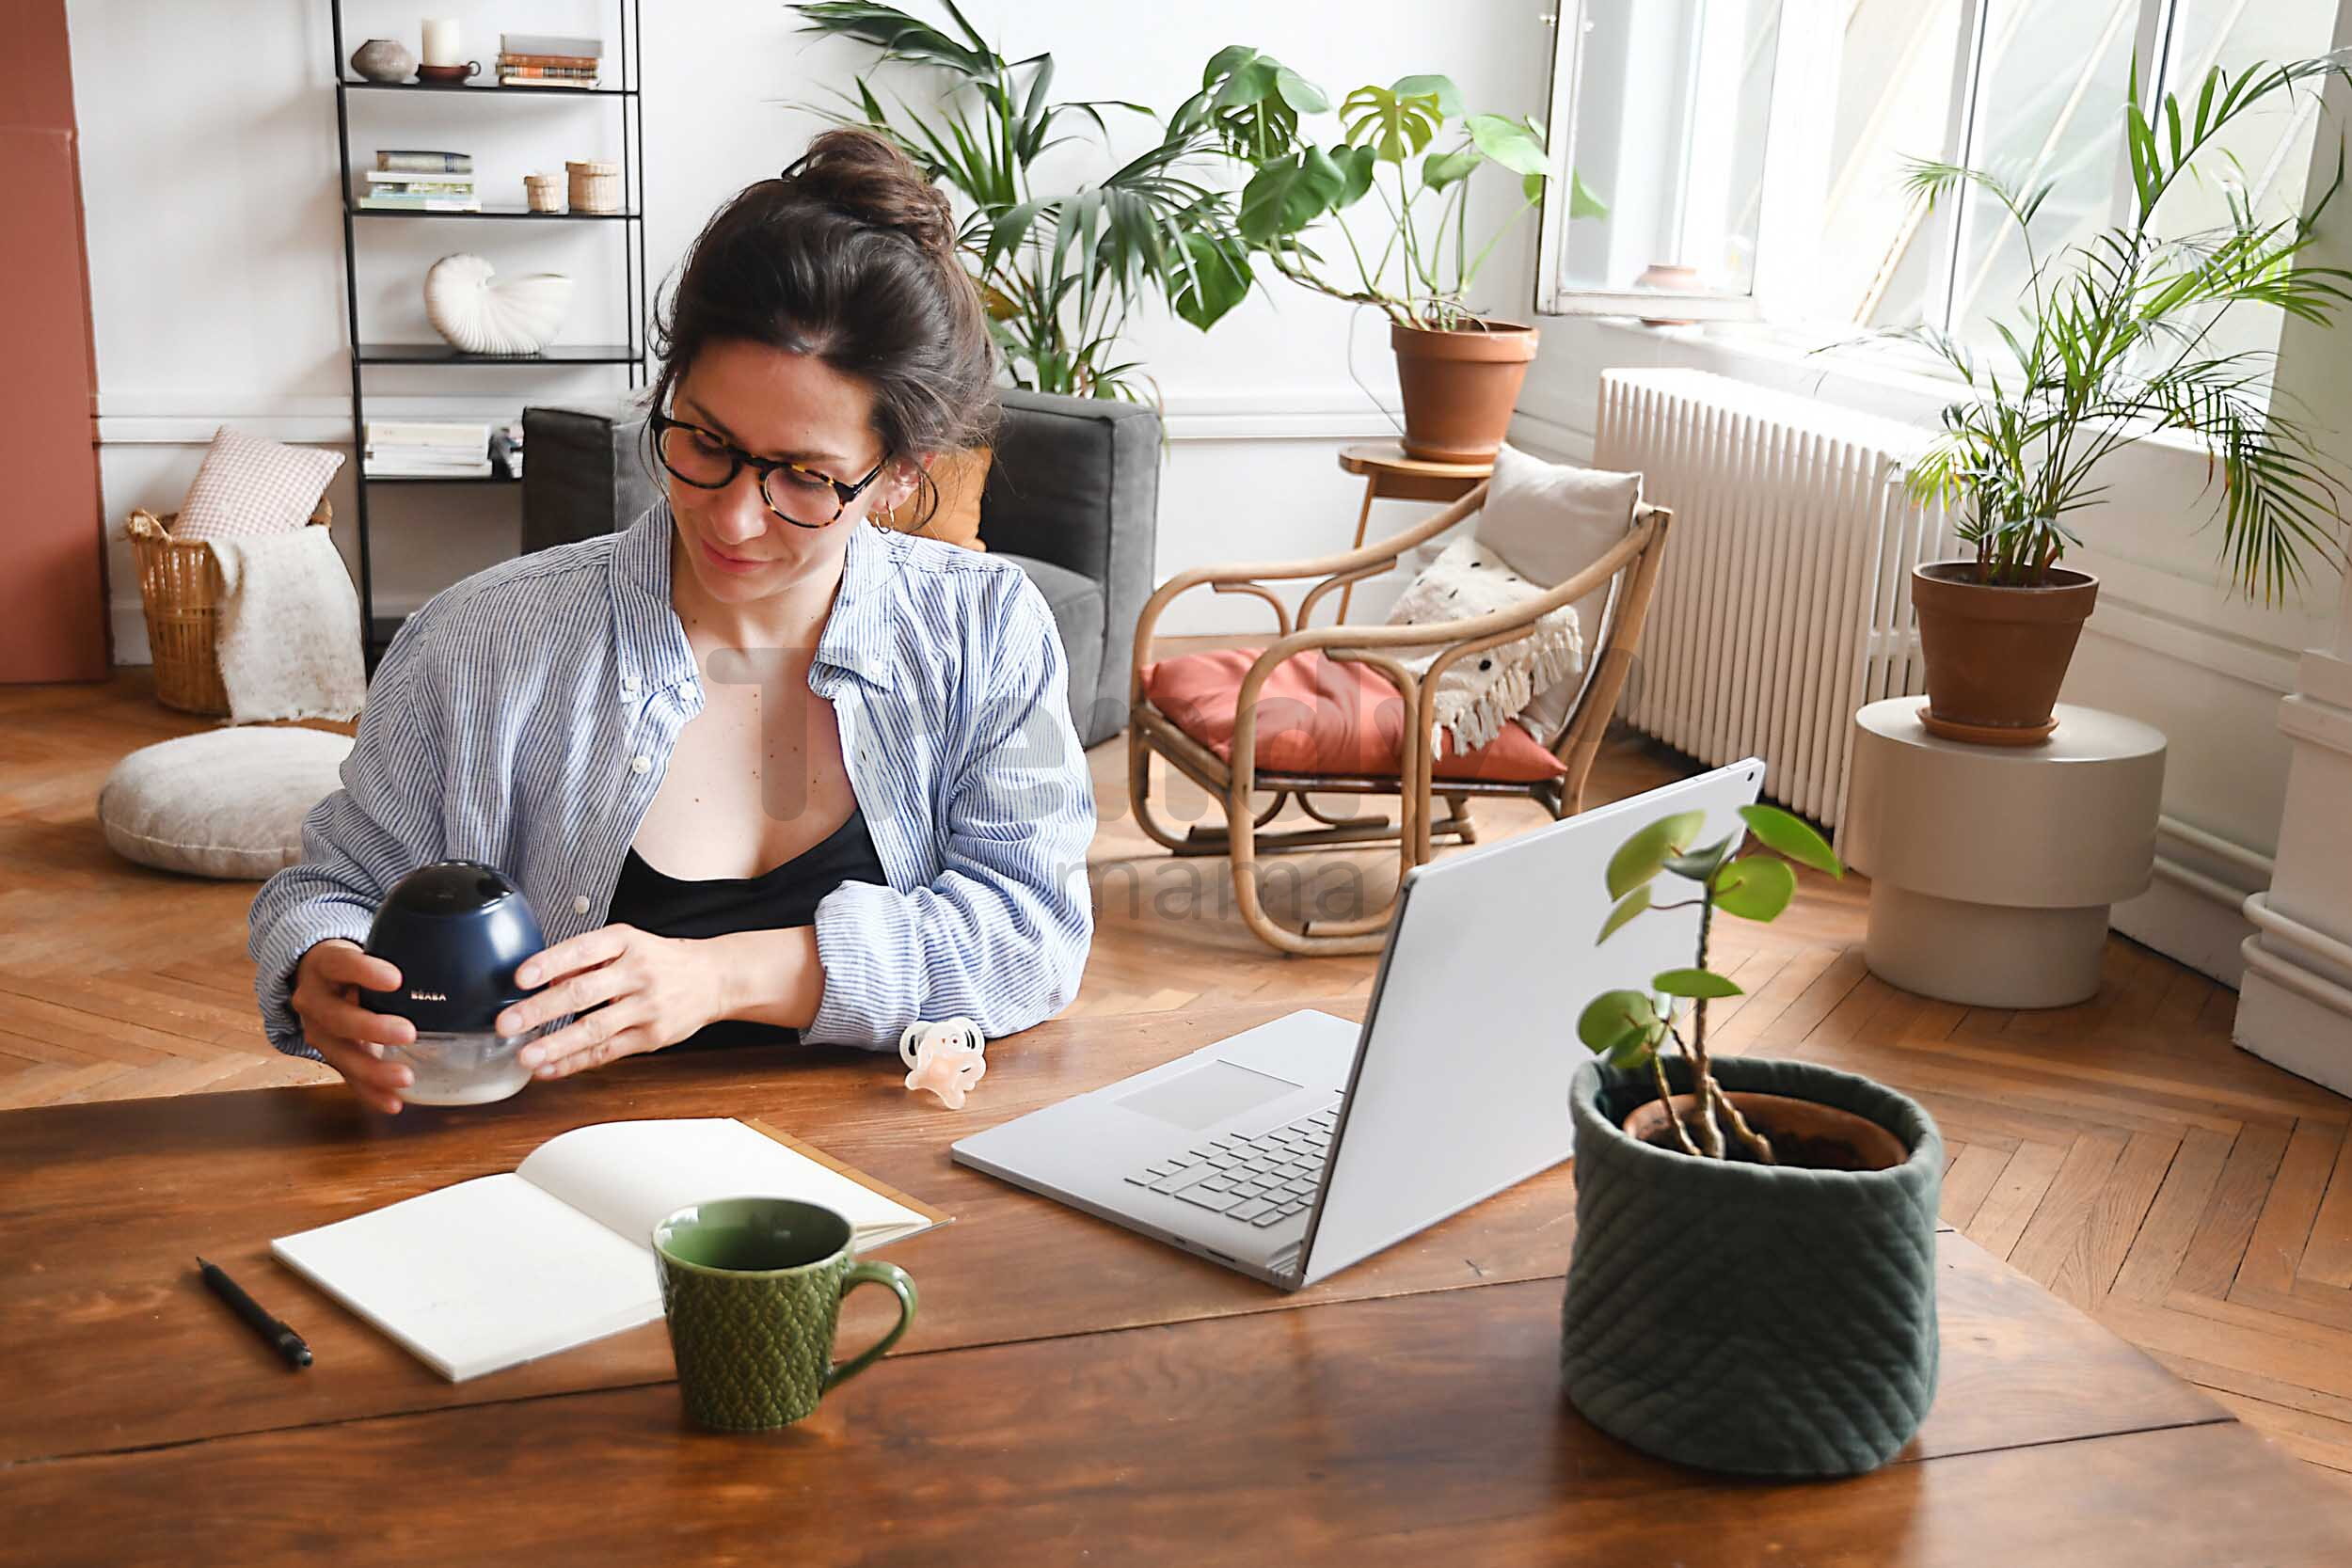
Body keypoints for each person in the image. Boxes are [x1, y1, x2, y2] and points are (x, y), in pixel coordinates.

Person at [248, 130, 1095, 1114]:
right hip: (549, 1164)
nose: (732, 518)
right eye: (705, 442)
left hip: (889, 1158)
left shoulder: (985, 630)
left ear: (901, 474)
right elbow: (336, 887)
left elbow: (1032, 932)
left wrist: (719, 977)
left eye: (806, 477)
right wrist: (323, 963)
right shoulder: (477, 643)